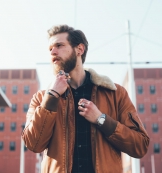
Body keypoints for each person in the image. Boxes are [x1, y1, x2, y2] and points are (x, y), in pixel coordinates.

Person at [21, 25, 149, 173]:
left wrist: (101, 120)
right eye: (50, 49)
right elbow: (33, 144)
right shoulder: (42, 98)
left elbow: (140, 145)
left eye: (59, 45)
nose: (53, 52)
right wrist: (52, 96)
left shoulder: (115, 94)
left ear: (79, 49)